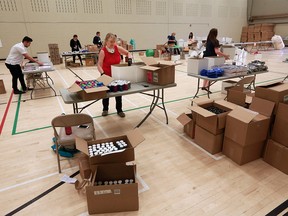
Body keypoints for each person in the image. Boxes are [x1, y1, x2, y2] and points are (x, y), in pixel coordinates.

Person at [97, 33, 132, 118]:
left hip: (117, 75)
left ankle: (119, 110)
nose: (112, 43)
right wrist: (102, 73)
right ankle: (105, 109)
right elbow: (99, 65)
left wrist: (129, 58)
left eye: (114, 41)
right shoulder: (103, 51)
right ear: (106, 41)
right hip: (106, 75)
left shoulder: (117, 48)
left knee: (118, 93)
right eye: (111, 41)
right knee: (106, 94)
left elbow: (128, 53)